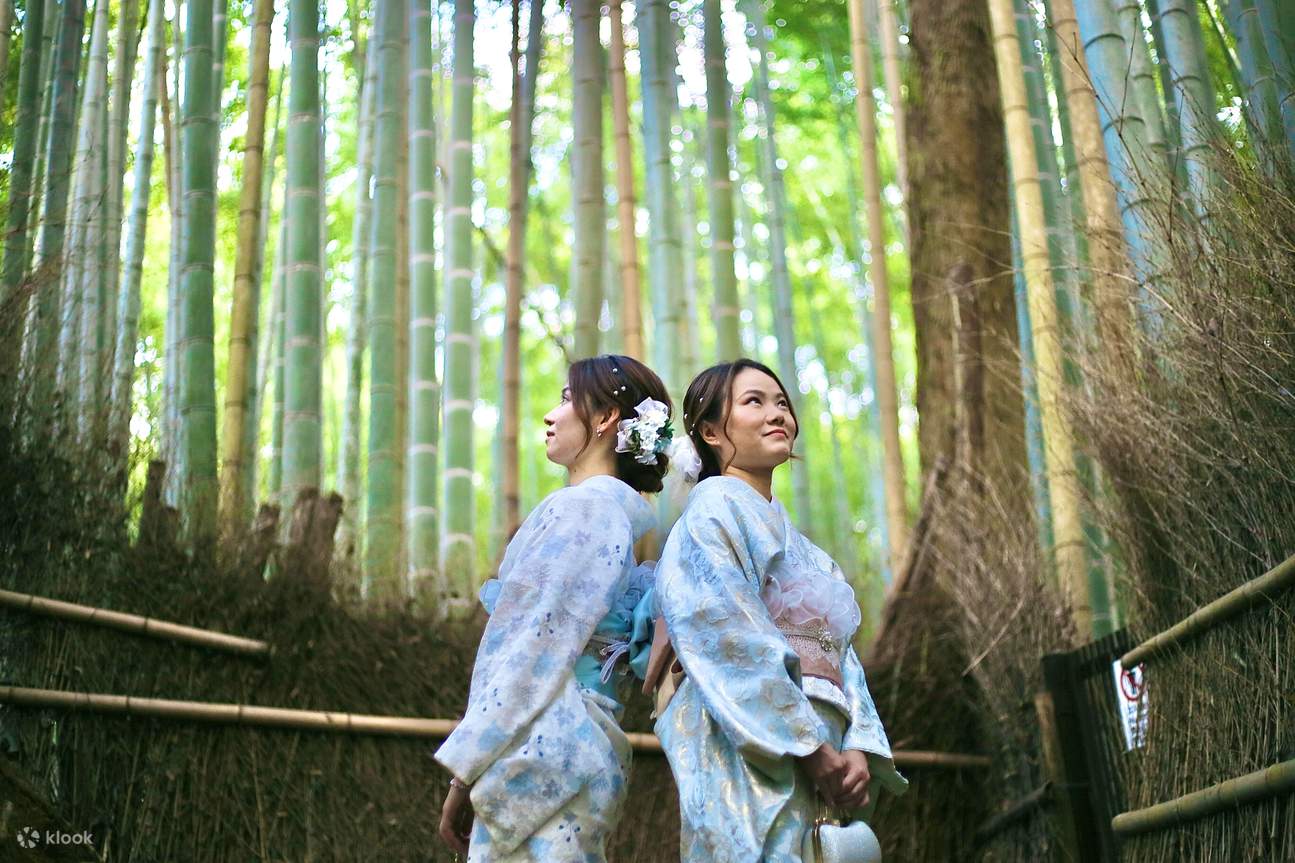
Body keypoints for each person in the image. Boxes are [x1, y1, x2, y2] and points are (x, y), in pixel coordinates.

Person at [646, 358, 907, 862]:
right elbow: (725, 635)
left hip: (824, 753)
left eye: (782, 403)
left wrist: (857, 748)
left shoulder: (813, 554)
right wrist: (808, 746)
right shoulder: (711, 512)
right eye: (754, 402)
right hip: (748, 743)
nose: (776, 414)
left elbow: (843, 659)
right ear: (710, 432)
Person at [435, 354, 674, 862]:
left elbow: (529, 647)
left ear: (607, 417)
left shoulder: (584, 509)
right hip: (584, 747)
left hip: (546, 744)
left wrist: (468, 767)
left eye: (567, 399)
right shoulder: (612, 520)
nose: (551, 414)